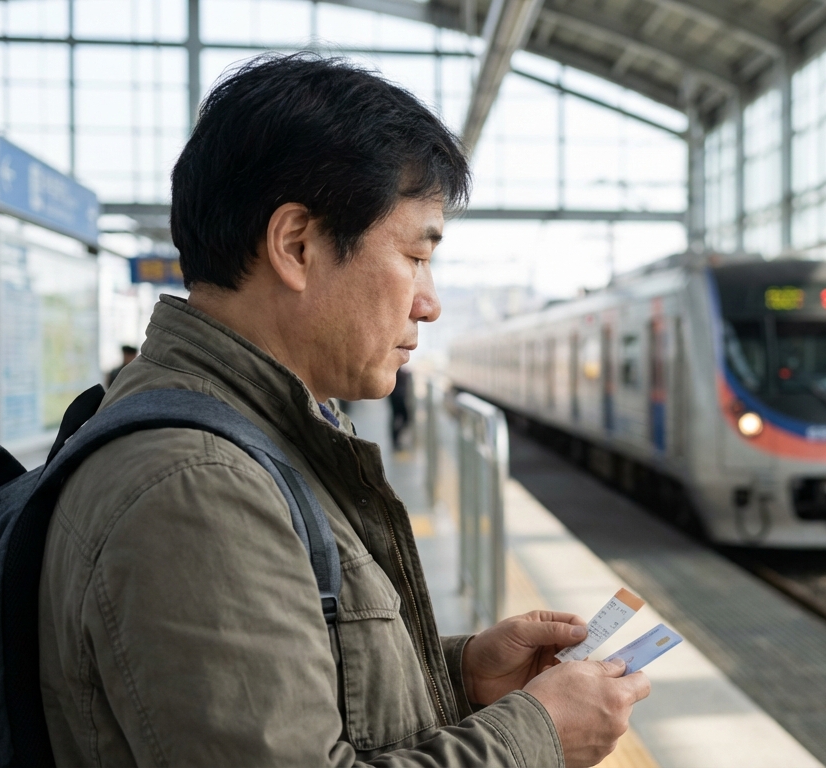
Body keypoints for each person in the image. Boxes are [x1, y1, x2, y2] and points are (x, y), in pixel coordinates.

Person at [38, 54, 649, 767]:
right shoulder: (196, 487)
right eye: (416, 255)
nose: (431, 301)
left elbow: (302, 686)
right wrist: (536, 735)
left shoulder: (252, 438)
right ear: (297, 245)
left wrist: (460, 678)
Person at [390, 365, 412, 449]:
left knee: (397, 418)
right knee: (403, 418)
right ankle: (396, 439)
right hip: (398, 398)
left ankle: (396, 439)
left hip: (396, 398)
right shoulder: (397, 372)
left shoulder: (399, 372)